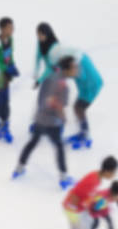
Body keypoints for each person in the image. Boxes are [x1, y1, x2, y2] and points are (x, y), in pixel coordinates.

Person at [33, 23, 102, 149]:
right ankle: (84, 133)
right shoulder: (56, 54)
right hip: (84, 79)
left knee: (78, 108)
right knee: (78, 108)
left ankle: (85, 135)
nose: (39, 37)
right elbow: (55, 69)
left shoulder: (62, 58)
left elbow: (60, 70)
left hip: (91, 83)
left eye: (41, 35)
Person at [12, 55, 76, 190]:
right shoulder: (63, 85)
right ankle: (64, 177)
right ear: (68, 69)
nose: (76, 70)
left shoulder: (50, 77)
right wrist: (63, 117)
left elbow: (42, 98)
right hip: (52, 123)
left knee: (32, 142)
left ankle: (19, 168)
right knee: (59, 147)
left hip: (40, 119)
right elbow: (57, 104)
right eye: (74, 67)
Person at [61, 156, 118, 229]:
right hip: (72, 209)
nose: (114, 175)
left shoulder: (97, 179)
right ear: (107, 171)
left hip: (81, 208)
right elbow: (75, 194)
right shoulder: (92, 180)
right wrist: (75, 212)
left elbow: (89, 195)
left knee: (89, 223)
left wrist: (91, 204)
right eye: (113, 172)